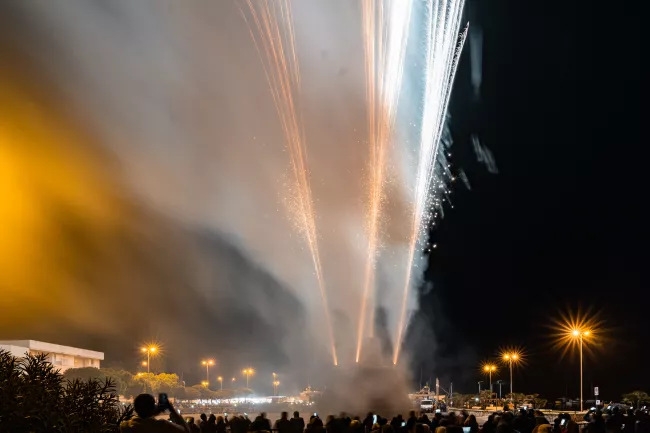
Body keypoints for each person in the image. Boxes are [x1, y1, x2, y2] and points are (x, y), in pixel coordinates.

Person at [120, 393, 190, 433]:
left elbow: (145, 420)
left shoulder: (125, 426)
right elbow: (186, 431)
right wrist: (172, 409)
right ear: (153, 408)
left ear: (135, 408)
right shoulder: (162, 425)